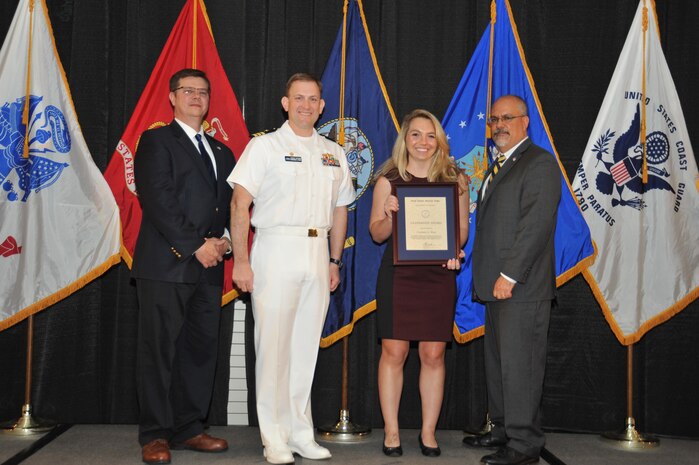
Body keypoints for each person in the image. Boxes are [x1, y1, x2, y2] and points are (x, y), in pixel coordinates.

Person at [227, 73, 355, 465]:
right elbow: (239, 205)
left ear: (321, 106)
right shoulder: (264, 146)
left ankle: (301, 432)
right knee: (274, 349)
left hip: (317, 251)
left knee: (303, 350)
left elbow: (340, 209)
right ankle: (274, 437)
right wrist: (243, 262)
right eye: (298, 98)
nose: (305, 105)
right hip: (275, 248)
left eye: (313, 99)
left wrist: (334, 261)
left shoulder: (333, 152)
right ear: (285, 103)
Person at [131, 68, 235, 464]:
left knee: (200, 350)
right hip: (166, 266)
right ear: (172, 97)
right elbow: (158, 200)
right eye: (188, 91)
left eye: (202, 92)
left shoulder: (222, 152)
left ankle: (189, 427)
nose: (196, 97)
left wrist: (223, 241)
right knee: (159, 352)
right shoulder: (156, 140)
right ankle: (155, 434)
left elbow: (225, 206)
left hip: (209, 268)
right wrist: (195, 246)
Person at [464, 95, 561, 465]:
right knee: (499, 363)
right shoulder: (499, 165)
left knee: (521, 366)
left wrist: (509, 275)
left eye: (507, 117)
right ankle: (503, 429)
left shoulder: (539, 163)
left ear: (525, 122)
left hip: (520, 286)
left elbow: (535, 226)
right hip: (497, 286)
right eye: (494, 119)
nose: (499, 124)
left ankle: (523, 446)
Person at [369, 109, 469, 458]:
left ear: (438, 141)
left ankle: (428, 433)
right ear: (405, 139)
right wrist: (390, 214)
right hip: (398, 276)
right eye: (416, 134)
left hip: (438, 275)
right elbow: (376, 234)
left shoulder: (455, 179)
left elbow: (461, 233)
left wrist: (455, 252)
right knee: (393, 352)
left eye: (430, 135)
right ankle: (392, 432)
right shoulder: (388, 180)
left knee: (433, 354)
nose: (423, 142)